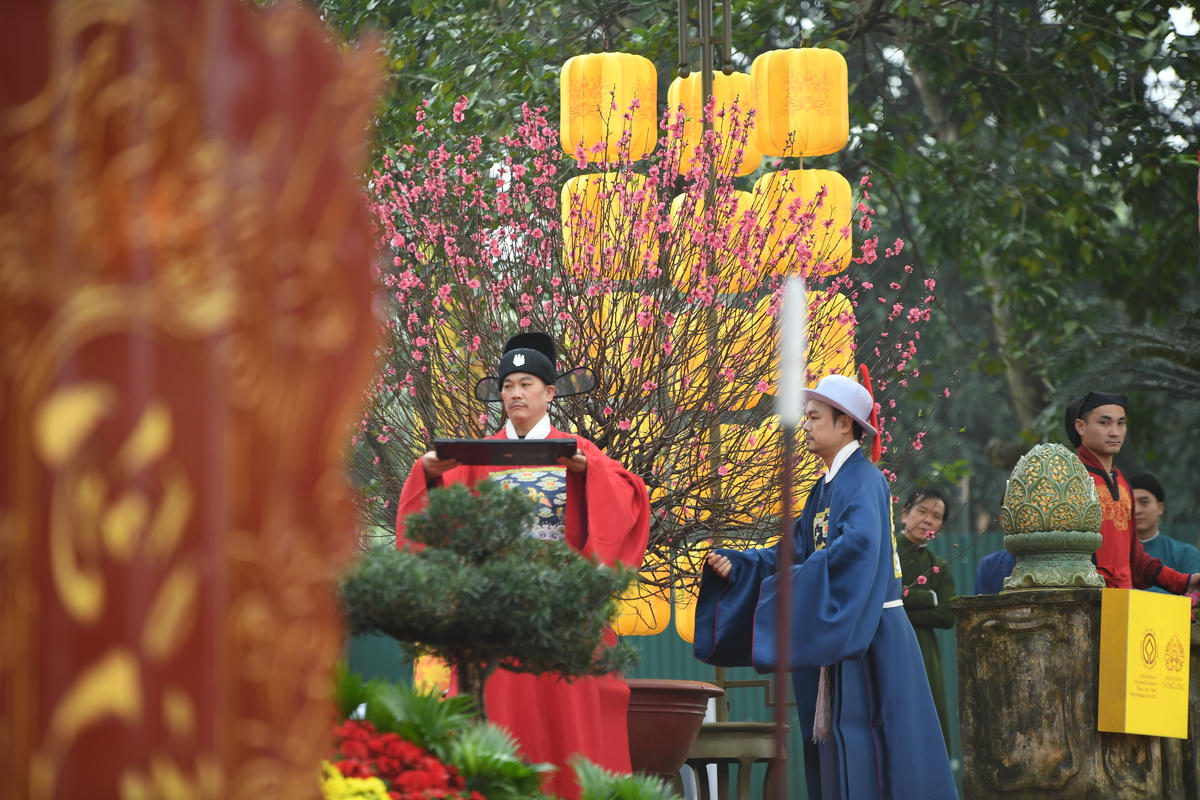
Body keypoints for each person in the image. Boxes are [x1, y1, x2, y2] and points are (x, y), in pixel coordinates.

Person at [394, 332, 651, 800]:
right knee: (499, 721)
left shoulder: (579, 452)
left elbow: (629, 497)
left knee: (571, 724)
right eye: (508, 384)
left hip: (562, 613)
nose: (515, 392)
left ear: (549, 392)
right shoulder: (474, 456)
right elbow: (436, 519)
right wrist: (426, 474)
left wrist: (588, 472)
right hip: (496, 613)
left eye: (526, 383)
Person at [693, 374, 957, 800]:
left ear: (845, 424)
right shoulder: (826, 486)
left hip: (871, 635)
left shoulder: (865, 480)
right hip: (843, 632)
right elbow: (793, 551)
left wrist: (797, 581)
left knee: (878, 742)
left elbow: (858, 549)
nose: (806, 426)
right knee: (838, 743)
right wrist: (739, 564)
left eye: (815, 417)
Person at [1064, 391, 1199, 594]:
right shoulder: (1069, 478)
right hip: (1085, 600)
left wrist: (1183, 581)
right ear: (1080, 426)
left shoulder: (1122, 482)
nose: (1115, 432)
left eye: (1121, 423)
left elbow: (1134, 558)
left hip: (1122, 602)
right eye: (1104, 423)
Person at [897, 487, 955, 753]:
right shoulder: (886, 553)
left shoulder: (940, 566)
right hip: (888, 646)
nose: (928, 520)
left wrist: (903, 601)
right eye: (922, 511)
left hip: (925, 653)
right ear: (904, 514)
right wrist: (927, 597)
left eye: (937, 516)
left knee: (928, 729)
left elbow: (947, 615)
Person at [1128, 473, 1200, 594]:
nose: (1137, 510)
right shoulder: (1113, 553)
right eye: (1131, 503)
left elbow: (1193, 599)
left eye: (1144, 502)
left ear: (1160, 508)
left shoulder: (1186, 554)